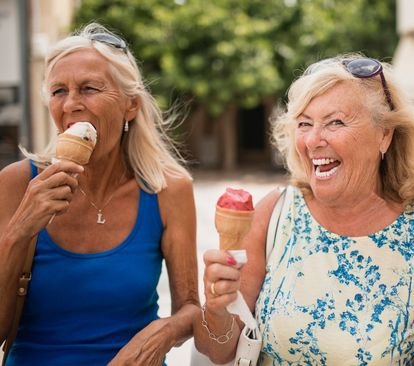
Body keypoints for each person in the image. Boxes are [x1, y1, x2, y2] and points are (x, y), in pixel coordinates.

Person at [193, 54, 414, 365]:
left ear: (384, 134)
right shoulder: (276, 213)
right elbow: (217, 351)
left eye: (335, 122)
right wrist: (217, 307)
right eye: (304, 124)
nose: (312, 140)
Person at [0, 22, 199, 365]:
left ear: (130, 106)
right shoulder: (18, 184)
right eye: (58, 91)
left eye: (89, 88)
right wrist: (19, 231)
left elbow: (191, 308)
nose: (72, 104)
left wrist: (164, 331)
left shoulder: (168, 189)